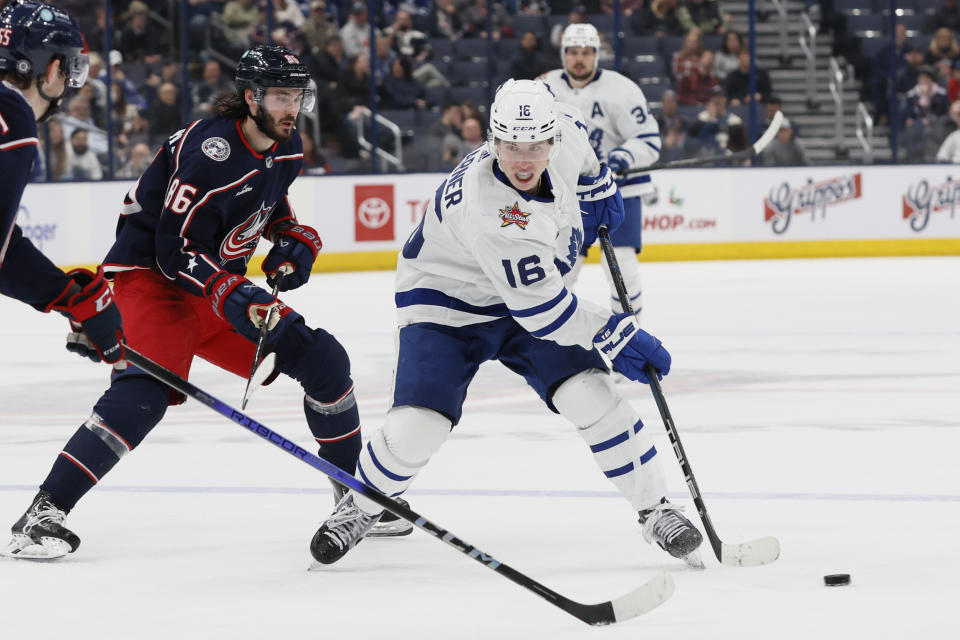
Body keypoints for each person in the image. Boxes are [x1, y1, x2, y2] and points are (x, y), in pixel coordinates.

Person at [1, 44, 408, 561]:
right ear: (249, 97)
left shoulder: (286, 147)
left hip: (213, 287)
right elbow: (173, 253)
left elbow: (266, 199)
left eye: (297, 95)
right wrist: (229, 291)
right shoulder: (207, 151)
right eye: (280, 96)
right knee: (144, 395)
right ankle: (43, 512)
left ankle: (353, 497)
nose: (291, 107)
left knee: (324, 359)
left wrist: (291, 237)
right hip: (149, 282)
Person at [309, 78, 704, 568]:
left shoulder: (566, 132)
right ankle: (362, 504)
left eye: (535, 145)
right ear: (493, 141)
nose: (522, 159)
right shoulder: (492, 214)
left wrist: (596, 180)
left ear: (552, 137)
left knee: (590, 393)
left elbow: (580, 144)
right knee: (418, 426)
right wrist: (615, 332)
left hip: (521, 295)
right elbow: (543, 312)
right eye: (511, 146)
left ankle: (655, 508)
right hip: (445, 303)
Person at [0, 0, 124, 374]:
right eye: (70, 67)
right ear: (51, 68)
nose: (69, 83)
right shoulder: (15, 116)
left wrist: (67, 296)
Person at [542, 23, 661, 319]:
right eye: (572, 52)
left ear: (597, 55)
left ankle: (630, 337)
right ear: (563, 54)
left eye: (586, 52)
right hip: (566, 194)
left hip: (617, 190)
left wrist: (624, 156)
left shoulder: (621, 89)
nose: (579, 58)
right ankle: (554, 339)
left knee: (622, 269)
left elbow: (648, 139)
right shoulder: (543, 88)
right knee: (561, 270)